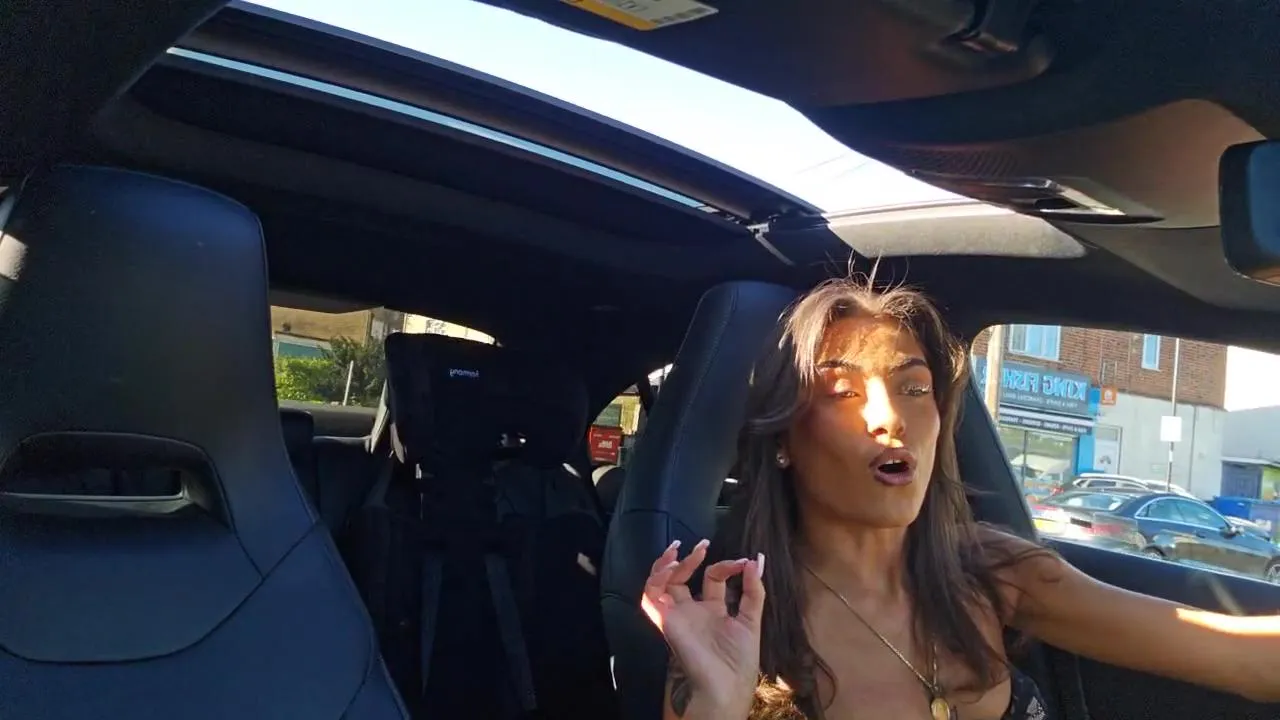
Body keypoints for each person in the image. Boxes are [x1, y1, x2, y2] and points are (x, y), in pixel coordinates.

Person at [640, 278, 1280, 720]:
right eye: (843, 394)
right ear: (783, 438)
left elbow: (1241, 657)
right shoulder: (734, 622)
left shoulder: (993, 571)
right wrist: (719, 706)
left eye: (914, 389)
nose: (891, 418)